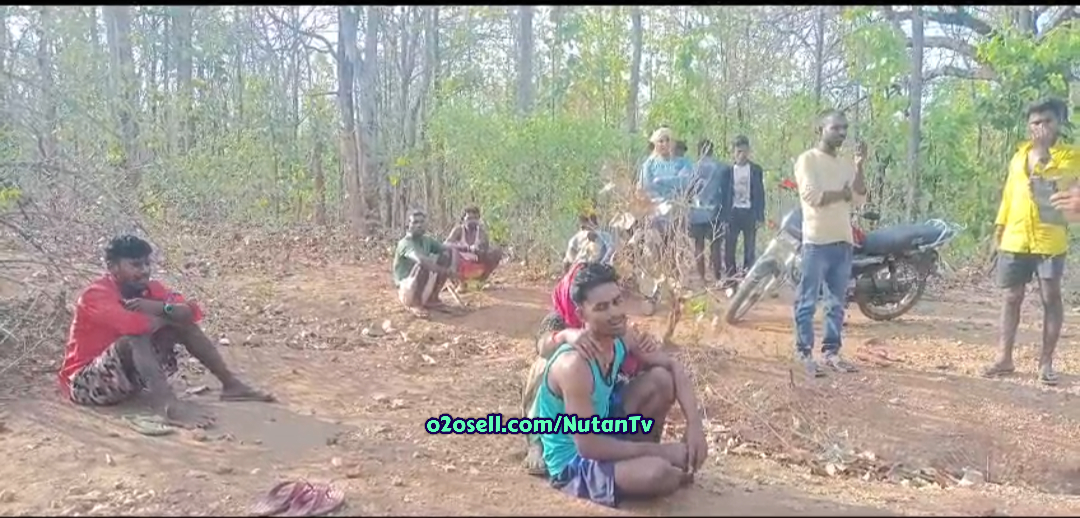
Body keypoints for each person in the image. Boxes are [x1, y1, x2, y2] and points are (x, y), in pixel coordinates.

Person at [531, 262, 707, 507]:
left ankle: (642, 458)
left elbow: (672, 367)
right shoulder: (574, 365)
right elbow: (588, 446)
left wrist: (695, 425)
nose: (614, 313)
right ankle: (651, 462)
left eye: (617, 302)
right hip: (574, 461)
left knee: (661, 380)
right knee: (657, 474)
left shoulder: (621, 337)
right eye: (602, 307)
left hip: (604, 428)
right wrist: (662, 452)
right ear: (581, 315)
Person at [58, 235, 273, 427]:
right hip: (86, 384)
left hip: (124, 379)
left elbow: (191, 312)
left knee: (182, 324)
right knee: (136, 337)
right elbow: (136, 327)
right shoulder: (95, 295)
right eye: (135, 265)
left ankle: (231, 385)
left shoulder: (151, 289)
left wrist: (161, 308)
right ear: (112, 267)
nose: (144, 271)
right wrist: (167, 315)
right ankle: (168, 406)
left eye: (146, 263)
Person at [521, 261, 660, 476]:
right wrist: (566, 335)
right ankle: (536, 443)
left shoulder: (611, 317)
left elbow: (632, 350)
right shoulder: (557, 319)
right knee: (544, 367)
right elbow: (543, 346)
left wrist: (644, 345)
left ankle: (629, 446)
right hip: (560, 399)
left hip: (598, 387)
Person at [985, 97, 1080, 385]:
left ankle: (1046, 362)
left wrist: (1042, 151)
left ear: (1059, 124)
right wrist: (999, 230)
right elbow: (1009, 195)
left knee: (1050, 297)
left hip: (1049, 239)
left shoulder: (1070, 156)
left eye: (1047, 121)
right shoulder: (1018, 157)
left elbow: (1061, 183)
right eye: (1035, 122)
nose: (1041, 127)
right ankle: (1004, 358)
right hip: (1016, 237)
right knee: (1011, 297)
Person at [792, 110, 866, 377]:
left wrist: (859, 166)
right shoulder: (808, 160)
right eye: (836, 128)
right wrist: (842, 194)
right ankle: (803, 353)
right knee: (808, 301)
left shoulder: (845, 165)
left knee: (836, 303)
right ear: (820, 130)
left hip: (842, 241)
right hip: (816, 241)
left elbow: (858, 198)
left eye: (845, 128)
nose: (842, 133)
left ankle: (831, 352)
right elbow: (812, 196)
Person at [393, 209, 458, 318]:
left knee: (445, 256)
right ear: (407, 225)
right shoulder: (405, 243)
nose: (419, 225)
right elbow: (421, 260)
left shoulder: (426, 240)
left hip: (422, 284)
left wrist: (453, 267)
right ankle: (415, 304)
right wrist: (446, 272)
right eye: (415, 222)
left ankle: (433, 299)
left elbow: (451, 248)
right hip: (407, 290)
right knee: (423, 264)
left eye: (422, 222)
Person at [718, 135, 766, 282]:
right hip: (732, 213)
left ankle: (748, 276)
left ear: (749, 151)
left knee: (750, 247)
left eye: (745, 151)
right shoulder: (727, 172)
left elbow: (760, 193)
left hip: (749, 212)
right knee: (730, 247)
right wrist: (723, 217)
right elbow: (723, 195)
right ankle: (731, 277)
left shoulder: (756, 170)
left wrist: (760, 216)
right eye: (738, 151)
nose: (742, 155)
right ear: (733, 152)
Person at [687, 138, 725, 284]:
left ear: (699, 151)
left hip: (697, 213)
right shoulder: (720, 167)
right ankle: (717, 277)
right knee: (715, 246)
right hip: (715, 212)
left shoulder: (693, 167)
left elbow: (688, 189)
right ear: (711, 150)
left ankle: (702, 278)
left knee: (699, 245)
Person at [444, 206, 504, 285]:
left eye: (475, 219)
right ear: (463, 219)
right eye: (469, 218)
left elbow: (485, 250)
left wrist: (478, 250)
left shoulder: (481, 233)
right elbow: (446, 244)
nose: (472, 221)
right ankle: (456, 280)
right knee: (447, 253)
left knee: (496, 251)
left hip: (475, 262)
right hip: (459, 262)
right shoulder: (458, 230)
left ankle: (480, 280)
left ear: (478, 220)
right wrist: (463, 248)